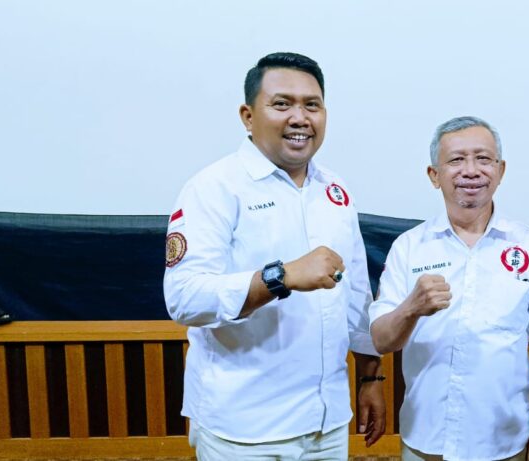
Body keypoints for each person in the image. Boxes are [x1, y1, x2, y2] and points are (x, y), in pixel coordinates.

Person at [163, 52, 385, 460]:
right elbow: (184, 298)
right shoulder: (213, 188)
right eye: (282, 104)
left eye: (312, 105)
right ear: (248, 116)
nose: (300, 118)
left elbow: (356, 294)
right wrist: (279, 277)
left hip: (327, 422)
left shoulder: (335, 191)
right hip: (244, 427)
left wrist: (371, 377)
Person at [369, 116, 529, 461]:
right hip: (426, 439)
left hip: (505, 441)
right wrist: (411, 308)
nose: (471, 171)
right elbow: (382, 340)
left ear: (500, 170)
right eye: (457, 160)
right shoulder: (409, 247)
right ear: (434, 175)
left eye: (483, 159)